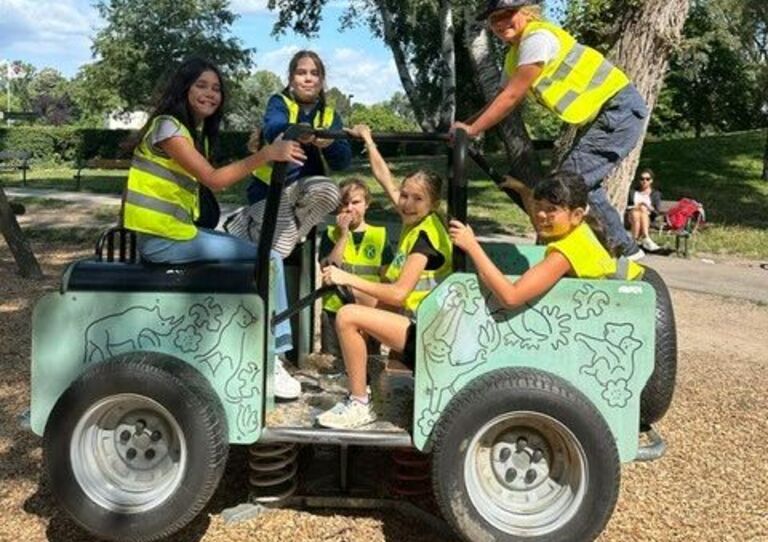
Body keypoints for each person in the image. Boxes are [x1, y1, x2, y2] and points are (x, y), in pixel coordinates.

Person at [121, 57, 306, 400]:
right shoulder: (168, 129)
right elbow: (214, 179)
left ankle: (253, 346)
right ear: (184, 89)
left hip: (175, 234)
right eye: (201, 86)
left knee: (255, 257)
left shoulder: (189, 133)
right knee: (269, 261)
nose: (210, 93)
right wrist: (266, 154)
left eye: (216, 88)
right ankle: (274, 359)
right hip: (165, 239)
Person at [452, 0, 649, 261]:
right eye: (493, 19)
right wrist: (466, 125)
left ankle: (622, 250)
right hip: (604, 113)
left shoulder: (537, 38)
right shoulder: (515, 54)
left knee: (571, 180)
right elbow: (499, 98)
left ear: (526, 12)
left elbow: (512, 97)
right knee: (581, 184)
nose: (500, 23)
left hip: (618, 108)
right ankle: (614, 249)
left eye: (507, 14)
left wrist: (472, 129)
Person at [316, 125, 453, 429]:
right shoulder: (415, 220)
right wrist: (368, 141)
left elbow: (398, 295)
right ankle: (362, 375)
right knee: (361, 299)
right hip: (420, 322)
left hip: (427, 334)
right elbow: (383, 177)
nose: (405, 203)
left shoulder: (426, 237)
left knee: (349, 315)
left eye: (416, 199)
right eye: (404, 195)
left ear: (433, 204)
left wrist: (345, 277)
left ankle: (359, 404)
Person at [450, 172, 644, 314]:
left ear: (576, 214)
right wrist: (524, 192)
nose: (541, 215)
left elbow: (511, 297)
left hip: (629, 306)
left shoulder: (564, 254)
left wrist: (472, 246)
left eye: (551, 209)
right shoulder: (582, 228)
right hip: (631, 293)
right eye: (538, 206)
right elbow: (544, 227)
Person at [225, 50, 352, 258]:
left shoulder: (330, 115)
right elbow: (274, 127)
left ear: (322, 80)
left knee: (330, 193)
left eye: (315, 73)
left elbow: (343, 161)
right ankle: (247, 223)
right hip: (269, 190)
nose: (309, 78)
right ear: (291, 78)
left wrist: (329, 144)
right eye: (302, 73)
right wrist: (300, 131)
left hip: (303, 192)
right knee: (280, 250)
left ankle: (256, 230)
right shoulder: (279, 101)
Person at [318, 176, 393, 364]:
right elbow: (328, 269)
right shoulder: (330, 234)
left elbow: (386, 278)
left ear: (367, 204)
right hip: (335, 309)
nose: (349, 208)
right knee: (334, 363)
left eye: (355, 202)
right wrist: (343, 236)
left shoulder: (380, 235)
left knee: (369, 361)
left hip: (368, 311)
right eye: (344, 204)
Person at [627, 168, 662, 252]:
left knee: (642, 209)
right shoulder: (633, 192)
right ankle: (646, 238)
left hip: (647, 218)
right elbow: (626, 206)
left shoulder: (655, 194)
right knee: (637, 211)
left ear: (651, 181)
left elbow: (656, 212)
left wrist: (648, 206)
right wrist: (636, 206)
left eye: (647, 179)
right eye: (642, 179)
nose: (644, 181)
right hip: (630, 216)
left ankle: (633, 242)